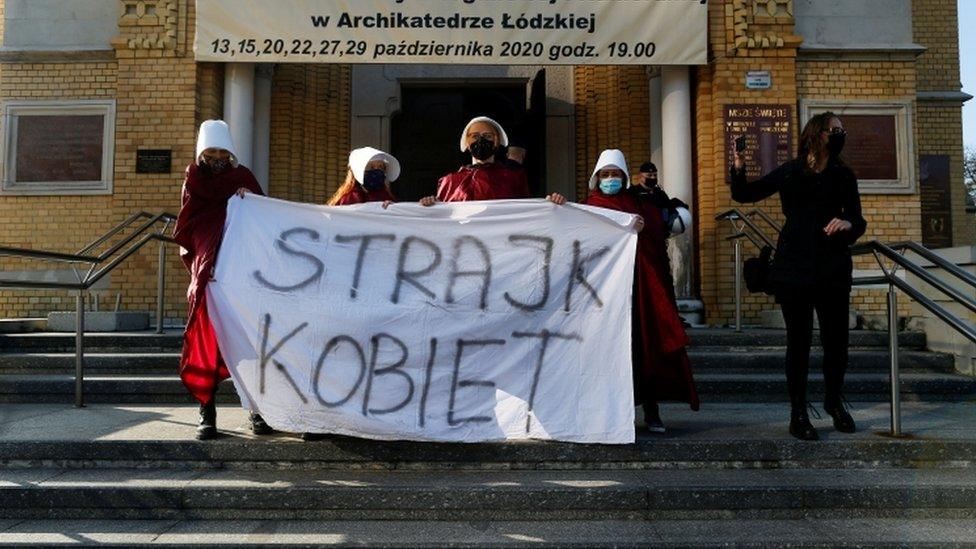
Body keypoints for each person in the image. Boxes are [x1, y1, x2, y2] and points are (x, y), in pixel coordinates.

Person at [730, 112, 867, 441]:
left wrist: (848, 225)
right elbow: (745, 194)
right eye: (835, 130)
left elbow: (857, 220)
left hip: (832, 269)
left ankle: (833, 403)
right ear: (818, 133)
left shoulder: (843, 175)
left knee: (837, 344)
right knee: (799, 344)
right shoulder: (791, 171)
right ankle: (799, 412)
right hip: (794, 270)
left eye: (841, 131)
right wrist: (737, 162)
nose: (839, 134)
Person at [584, 149, 699, 433]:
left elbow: (659, 243)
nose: (610, 179)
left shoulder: (640, 208)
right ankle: (606, 413)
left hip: (637, 294)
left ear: (624, 179)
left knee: (643, 350)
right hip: (601, 297)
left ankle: (651, 410)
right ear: (597, 178)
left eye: (615, 175)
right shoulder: (587, 207)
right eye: (605, 174)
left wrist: (644, 228)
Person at [173, 120, 272, 440]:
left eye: (221, 151)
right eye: (210, 152)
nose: (216, 157)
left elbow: (265, 220)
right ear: (202, 153)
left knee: (250, 345)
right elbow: (188, 227)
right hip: (209, 275)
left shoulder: (242, 178)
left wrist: (250, 202)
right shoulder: (193, 181)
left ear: (230, 153)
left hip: (243, 277)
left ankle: (258, 412)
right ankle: (208, 413)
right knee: (207, 343)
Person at [421, 116, 566, 205]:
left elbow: (527, 212)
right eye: (475, 136)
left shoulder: (512, 177)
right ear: (467, 142)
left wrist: (550, 205)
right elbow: (440, 222)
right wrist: (429, 205)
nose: (481, 140)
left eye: (488, 136)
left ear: (497, 142)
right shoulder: (450, 181)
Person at [327, 147, 400, 207]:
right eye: (371, 167)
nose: (377, 171)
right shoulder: (348, 200)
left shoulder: (387, 197)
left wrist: (393, 209)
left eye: (381, 167)